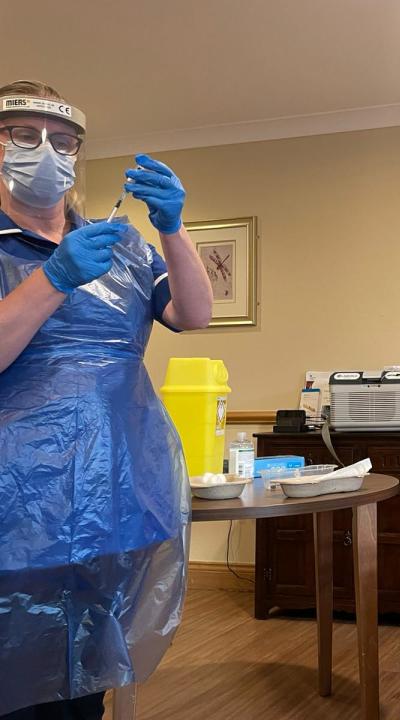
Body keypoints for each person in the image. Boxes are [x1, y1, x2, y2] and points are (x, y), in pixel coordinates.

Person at [0, 80, 213, 718]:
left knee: (82, 686)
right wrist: (55, 276)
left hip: (110, 500)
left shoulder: (119, 246)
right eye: (24, 136)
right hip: (15, 514)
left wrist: (172, 229)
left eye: (63, 141)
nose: (47, 152)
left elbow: (194, 313)